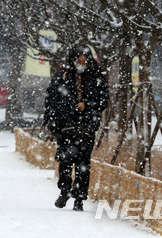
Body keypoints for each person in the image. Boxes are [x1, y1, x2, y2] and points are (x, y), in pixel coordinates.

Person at [44, 45, 109, 211]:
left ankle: (79, 198)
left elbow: (103, 100)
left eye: (85, 61)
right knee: (65, 162)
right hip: (66, 128)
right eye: (79, 60)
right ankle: (65, 191)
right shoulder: (62, 77)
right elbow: (51, 100)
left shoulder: (96, 77)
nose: (82, 64)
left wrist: (87, 105)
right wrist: (56, 120)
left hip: (86, 128)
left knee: (83, 165)